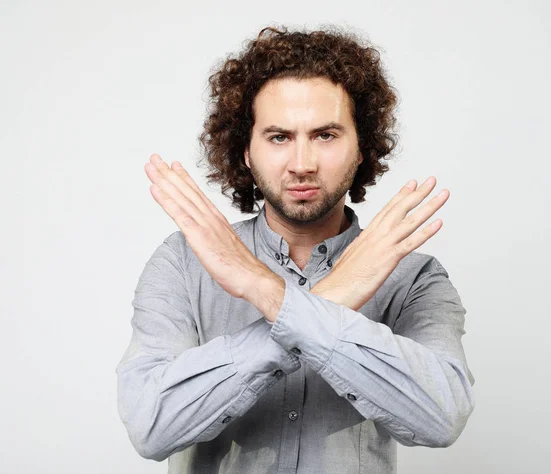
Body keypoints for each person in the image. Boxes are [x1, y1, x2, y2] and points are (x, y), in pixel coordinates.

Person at [116, 25, 475, 474]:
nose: (302, 164)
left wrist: (266, 294)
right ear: (245, 150)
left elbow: (441, 417)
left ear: (361, 146)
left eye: (325, 135)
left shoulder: (414, 276)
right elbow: (151, 427)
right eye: (279, 137)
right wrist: (327, 305)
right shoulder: (184, 262)